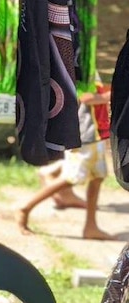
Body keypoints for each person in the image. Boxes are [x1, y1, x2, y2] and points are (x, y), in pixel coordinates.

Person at [16, 86, 115, 241]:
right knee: (73, 177)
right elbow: (84, 96)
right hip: (84, 132)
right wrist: (108, 96)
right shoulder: (83, 63)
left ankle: (91, 226)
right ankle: (25, 207)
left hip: (94, 130)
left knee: (97, 177)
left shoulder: (90, 65)